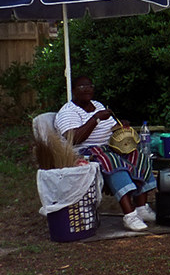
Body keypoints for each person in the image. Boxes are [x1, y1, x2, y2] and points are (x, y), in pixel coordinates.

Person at [55, 76, 156, 231]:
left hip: (109, 147)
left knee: (139, 156)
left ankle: (141, 207)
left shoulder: (98, 105)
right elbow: (73, 139)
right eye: (82, 87)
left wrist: (122, 126)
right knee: (112, 162)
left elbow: (112, 127)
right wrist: (95, 119)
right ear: (73, 91)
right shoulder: (68, 112)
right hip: (85, 153)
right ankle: (129, 215)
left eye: (90, 85)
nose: (87, 89)